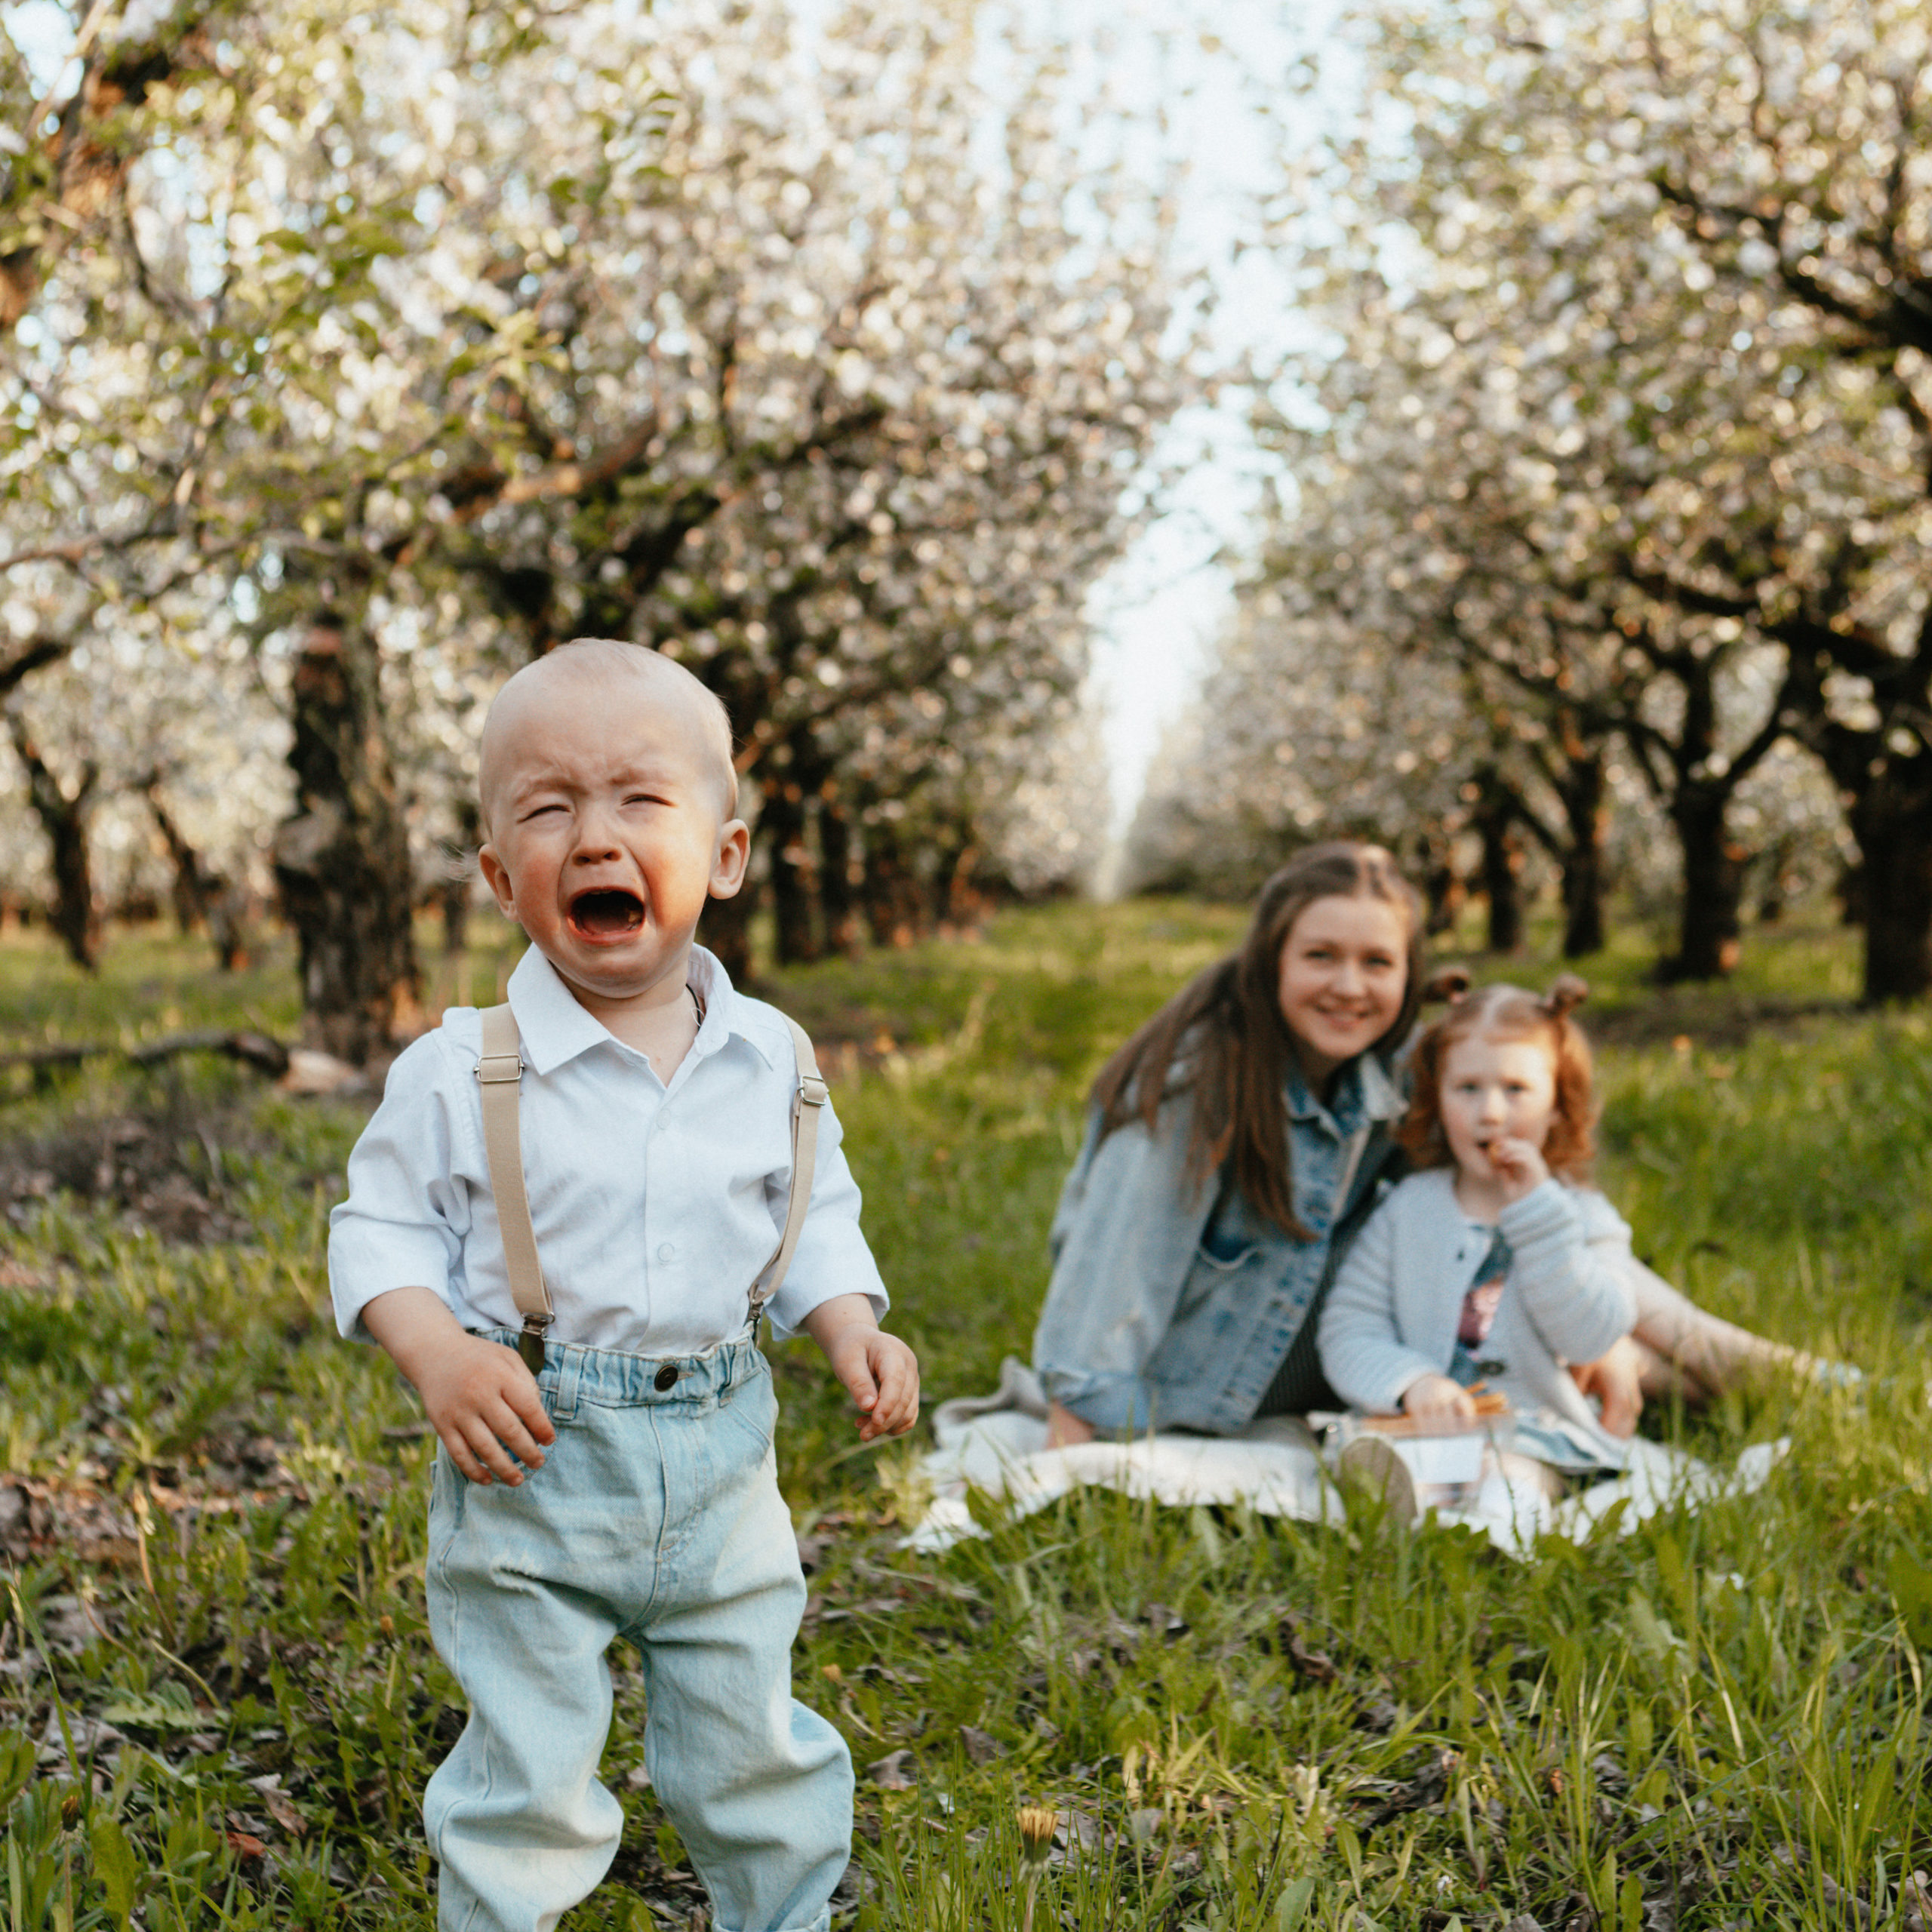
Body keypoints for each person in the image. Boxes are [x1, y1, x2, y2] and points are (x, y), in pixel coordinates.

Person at [328, 640, 920, 1932]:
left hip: (724, 1462)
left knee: (750, 1738)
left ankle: (783, 1911)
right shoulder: (460, 1068)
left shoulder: (773, 1056)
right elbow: (377, 1235)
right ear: (498, 877)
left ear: (726, 854)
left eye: (641, 799)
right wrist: (437, 1352)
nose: (595, 836)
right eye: (548, 808)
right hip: (535, 1461)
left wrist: (848, 1322)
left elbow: (811, 1209)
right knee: (527, 1765)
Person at [1033, 839, 1810, 1451]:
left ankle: (1756, 1376)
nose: (1349, 985)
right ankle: (1783, 1380)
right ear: (1269, 960)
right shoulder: (1196, 1086)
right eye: (1319, 957)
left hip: (1310, 1331)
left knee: (1535, 1220)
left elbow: (1483, 1214)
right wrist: (1078, 1410)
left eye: (1377, 962)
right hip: (1214, 1372)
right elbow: (1116, 1265)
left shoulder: (1392, 1076)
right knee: (1511, 1242)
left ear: (1411, 978)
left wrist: (1596, 1328)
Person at [1317, 977, 1634, 1512]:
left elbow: (1591, 1334)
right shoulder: (1407, 1208)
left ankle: (1495, 1526)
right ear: (1437, 1099)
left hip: (1536, 1429)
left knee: (1512, 1476)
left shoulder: (1582, 1216)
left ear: (1558, 1103)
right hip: (1425, 1424)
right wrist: (1411, 1380)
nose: (1490, 1112)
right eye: (1467, 1089)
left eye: (1516, 1090)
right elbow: (1349, 1325)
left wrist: (1537, 1212)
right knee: (1380, 1454)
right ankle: (1413, 1504)